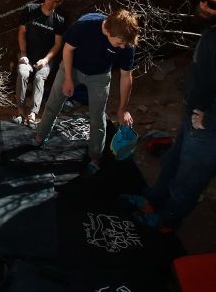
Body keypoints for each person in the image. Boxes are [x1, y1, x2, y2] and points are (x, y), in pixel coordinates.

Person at [123, 0, 216, 232]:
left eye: (213, 5)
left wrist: (208, 120)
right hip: (195, 114)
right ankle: (152, 201)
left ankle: (166, 222)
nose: (204, 6)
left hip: (211, 127)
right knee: (173, 162)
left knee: (188, 180)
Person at [34, 9, 139, 175]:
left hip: (100, 75)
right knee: (53, 103)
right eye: (119, 43)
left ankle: (95, 156)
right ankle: (40, 137)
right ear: (108, 31)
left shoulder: (126, 43)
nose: (123, 47)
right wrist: (68, 79)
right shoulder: (85, 25)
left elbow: (126, 76)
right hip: (72, 67)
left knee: (98, 117)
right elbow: (67, 51)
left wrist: (123, 108)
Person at [13, 0, 68, 126]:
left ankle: (33, 113)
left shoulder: (59, 19)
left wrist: (45, 60)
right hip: (27, 54)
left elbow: (57, 45)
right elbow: (21, 34)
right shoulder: (30, 10)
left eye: (55, 1)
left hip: (45, 58)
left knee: (39, 77)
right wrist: (24, 54)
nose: (51, 3)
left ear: (60, 2)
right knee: (23, 72)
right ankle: (20, 110)